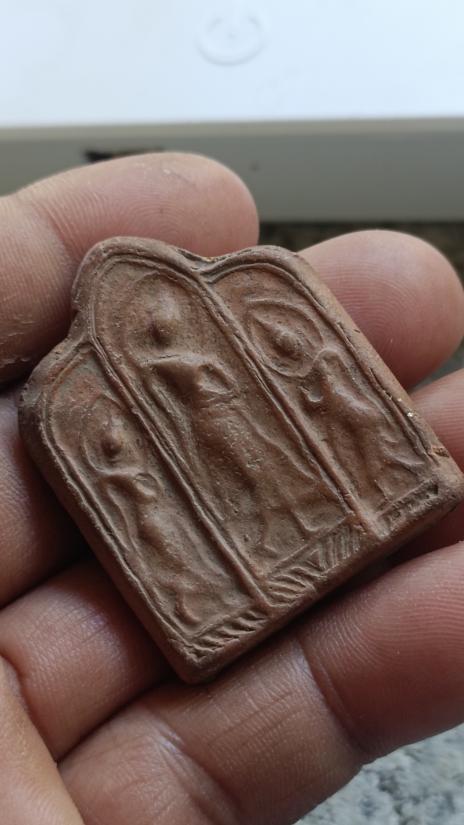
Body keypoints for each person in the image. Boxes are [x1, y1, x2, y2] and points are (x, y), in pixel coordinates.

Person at [0, 152, 463, 824]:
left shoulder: (204, 336)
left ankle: (316, 519)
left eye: (167, 319)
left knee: (275, 468)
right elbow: (189, 393)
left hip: (235, 418)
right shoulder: (154, 366)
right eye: (158, 323)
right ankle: (277, 543)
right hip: (216, 428)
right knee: (244, 484)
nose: (165, 327)